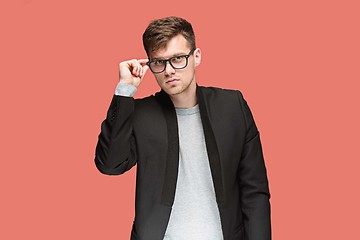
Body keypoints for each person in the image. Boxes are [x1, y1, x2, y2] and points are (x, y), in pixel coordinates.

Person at [94, 16, 271, 240]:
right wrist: (124, 90)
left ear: (196, 56)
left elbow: (254, 192)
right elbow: (110, 165)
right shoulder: (141, 114)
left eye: (178, 58)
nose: (169, 70)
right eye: (159, 62)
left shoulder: (232, 106)